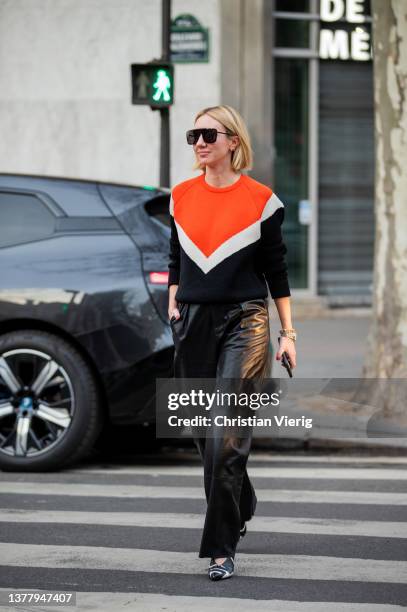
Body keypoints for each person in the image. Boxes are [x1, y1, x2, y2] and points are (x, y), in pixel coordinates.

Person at [167, 104, 297, 580]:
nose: (199, 143)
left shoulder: (262, 200)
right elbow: (176, 257)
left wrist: (289, 333)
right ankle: (241, 499)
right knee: (206, 437)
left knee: (226, 439)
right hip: (194, 323)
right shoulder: (180, 196)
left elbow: (276, 271)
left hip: (247, 323)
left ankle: (221, 549)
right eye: (193, 135)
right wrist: (173, 300)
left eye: (208, 134)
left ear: (233, 143)